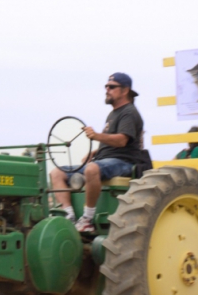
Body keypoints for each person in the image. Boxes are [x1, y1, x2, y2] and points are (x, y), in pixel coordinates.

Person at [50, 72, 144, 232]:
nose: (107, 89)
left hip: (124, 163)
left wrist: (96, 136)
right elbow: (110, 142)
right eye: (106, 86)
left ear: (125, 90)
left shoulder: (129, 112)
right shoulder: (113, 113)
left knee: (92, 169)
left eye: (112, 87)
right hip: (107, 160)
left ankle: (87, 219)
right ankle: (69, 216)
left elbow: (122, 141)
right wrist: (95, 152)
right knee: (57, 173)